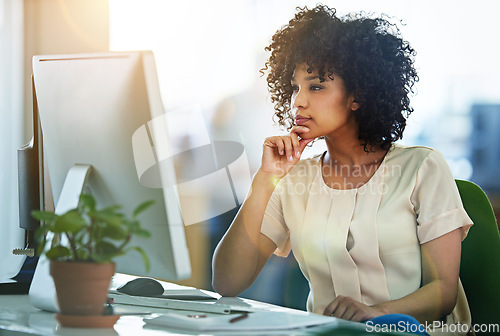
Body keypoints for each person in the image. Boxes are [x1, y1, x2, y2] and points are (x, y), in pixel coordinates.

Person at [212, 5, 473, 334]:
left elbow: (443, 293)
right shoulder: (294, 180)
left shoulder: (421, 167)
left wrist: (375, 312)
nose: (298, 102)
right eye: (295, 87)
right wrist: (264, 181)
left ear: (358, 95)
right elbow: (228, 282)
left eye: (316, 86)